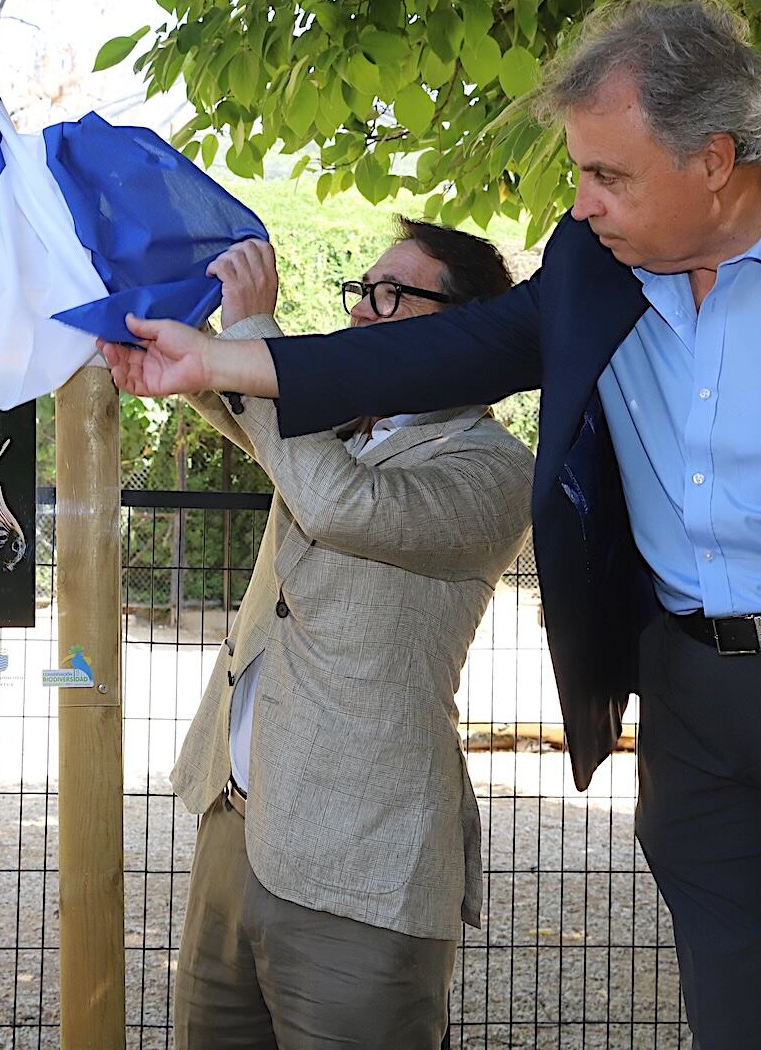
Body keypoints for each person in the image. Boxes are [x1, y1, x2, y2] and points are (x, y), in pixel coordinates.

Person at [104, 0, 761, 1048]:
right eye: (580, 174)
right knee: (740, 1021)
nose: (584, 203)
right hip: (697, 709)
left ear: (715, 161)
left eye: (609, 175)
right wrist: (220, 358)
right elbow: (430, 356)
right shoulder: (591, 268)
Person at [171, 224, 533, 1048]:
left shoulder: (495, 470)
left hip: (361, 866)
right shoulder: (334, 429)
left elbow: (341, 506)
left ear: (467, 329)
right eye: (360, 290)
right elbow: (227, 399)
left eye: (391, 293)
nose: (362, 313)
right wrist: (169, 329)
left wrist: (255, 337)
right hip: (235, 834)